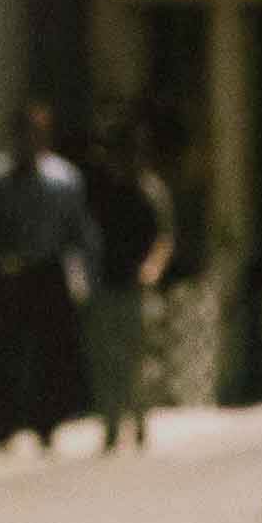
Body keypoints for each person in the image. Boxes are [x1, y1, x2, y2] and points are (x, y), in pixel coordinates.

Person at [0, 101, 92, 453]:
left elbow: (78, 233)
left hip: (47, 272)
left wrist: (79, 278)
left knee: (49, 350)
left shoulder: (64, 179)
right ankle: (5, 424)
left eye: (37, 134)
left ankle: (46, 422)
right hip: (7, 275)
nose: (30, 141)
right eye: (24, 134)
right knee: (6, 349)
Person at [79, 106, 172, 452]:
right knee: (106, 360)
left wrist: (152, 267)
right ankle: (111, 426)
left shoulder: (151, 191)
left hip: (137, 287)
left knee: (138, 360)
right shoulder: (103, 192)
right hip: (106, 283)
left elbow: (164, 237)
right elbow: (89, 235)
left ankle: (141, 421)